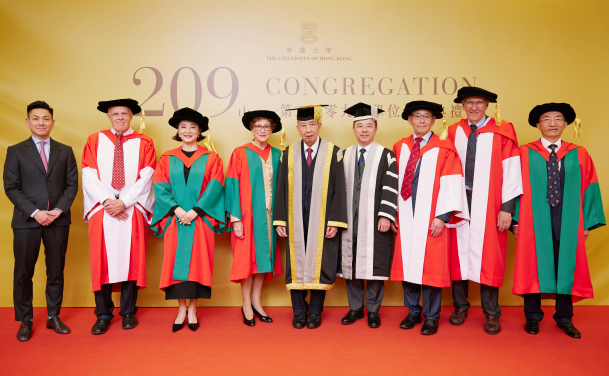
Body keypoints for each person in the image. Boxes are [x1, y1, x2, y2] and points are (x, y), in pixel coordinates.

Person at [512, 103, 605, 338]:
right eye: (546, 119)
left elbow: (590, 187)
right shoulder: (524, 152)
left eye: (558, 119)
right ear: (537, 124)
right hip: (533, 218)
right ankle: (532, 316)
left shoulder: (579, 153)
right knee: (533, 263)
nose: (552, 123)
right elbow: (512, 187)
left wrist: (584, 223)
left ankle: (564, 318)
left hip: (569, 217)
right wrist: (515, 220)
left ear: (566, 124)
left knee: (567, 265)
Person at [447, 86, 523, 334]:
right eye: (469, 103)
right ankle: (460, 306)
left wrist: (507, 208)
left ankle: (491, 313)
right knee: (458, 253)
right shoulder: (453, 130)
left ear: (488, 105)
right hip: (460, 201)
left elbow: (513, 171)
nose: (474, 108)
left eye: (479, 103)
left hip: (491, 204)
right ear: (463, 105)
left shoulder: (503, 130)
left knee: (490, 255)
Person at [390, 101, 468, 335]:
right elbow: (392, 184)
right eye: (417, 116)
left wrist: (442, 217)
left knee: (431, 267)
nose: (422, 121)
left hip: (432, 217)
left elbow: (452, 183)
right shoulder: (400, 147)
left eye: (427, 117)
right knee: (408, 265)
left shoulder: (445, 148)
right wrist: (392, 213)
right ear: (409, 120)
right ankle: (413, 311)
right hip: (405, 215)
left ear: (434, 121)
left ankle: (431, 317)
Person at [3, 101, 78, 342]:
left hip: (58, 220)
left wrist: (57, 210)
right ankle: (25, 319)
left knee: (56, 271)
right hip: (27, 222)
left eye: (45, 118)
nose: (41, 123)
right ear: (27, 122)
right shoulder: (15, 151)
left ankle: (53, 316)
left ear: (53, 122)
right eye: (36, 118)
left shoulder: (65, 150)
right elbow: (11, 187)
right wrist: (36, 212)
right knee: (24, 273)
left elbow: (72, 184)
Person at [82, 98, 156, 335]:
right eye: (115, 114)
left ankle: (128, 312)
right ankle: (103, 314)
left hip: (131, 208)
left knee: (130, 259)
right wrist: (107, 201)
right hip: (101, 209)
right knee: (101, 260)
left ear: (131, 116)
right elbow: (88, 173)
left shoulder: (145, 142)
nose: (120, 118)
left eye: (124, 114)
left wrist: (124, 201)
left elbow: (147, 176)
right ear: (108, 117)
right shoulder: (95, 140)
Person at [273, 105, 348, 329]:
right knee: (295, 264)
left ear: (319, 126)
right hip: (294, 217)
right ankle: (298, 312)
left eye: (312, 125)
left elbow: (339, 189)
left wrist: (334, 221)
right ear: (297, 128)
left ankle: (315, 311)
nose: (308, 130)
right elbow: (281, 189)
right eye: (303, 125)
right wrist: (280, 220)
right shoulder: (288, 153)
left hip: (322, 218)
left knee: (319, 263)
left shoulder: (334, 152)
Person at [151, 107, 225, 332]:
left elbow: (216, 187)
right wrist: (176, 210)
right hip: (176, 220)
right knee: (175, 263)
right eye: (183, 127)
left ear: (200, 130)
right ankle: (180, 308)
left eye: (193, 127)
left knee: (199, 263)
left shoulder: (212, 158)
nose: (188, 131)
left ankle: (193, 308)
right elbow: (160, 187)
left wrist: (196, 211)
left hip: (200, 220)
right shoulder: (167, 158)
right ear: (177, 130)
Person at [337, 103, 397, 329]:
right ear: (354, 129)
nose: (364, 130)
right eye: (360, 126)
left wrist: (386, 216)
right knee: (350, 264)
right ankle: (354, 308)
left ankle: (373, 310)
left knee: (374, 265)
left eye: (368, 126)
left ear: (376, 128)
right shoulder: (344, 155)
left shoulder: (386, 155)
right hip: (350, 220)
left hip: (375, 219)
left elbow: (391, 186)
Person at [225, 110, 283, 326]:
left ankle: (257, 302)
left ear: (273, 129)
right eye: (258, 126)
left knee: (263, 259)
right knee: (247, 260)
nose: (262, 130)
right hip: (246, 215)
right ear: (251, 128)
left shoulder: (278, 154)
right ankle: (245, 304)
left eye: (267, 126)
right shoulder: (240, 153)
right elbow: (231, 185)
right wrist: (235, 218)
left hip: (269, 216)